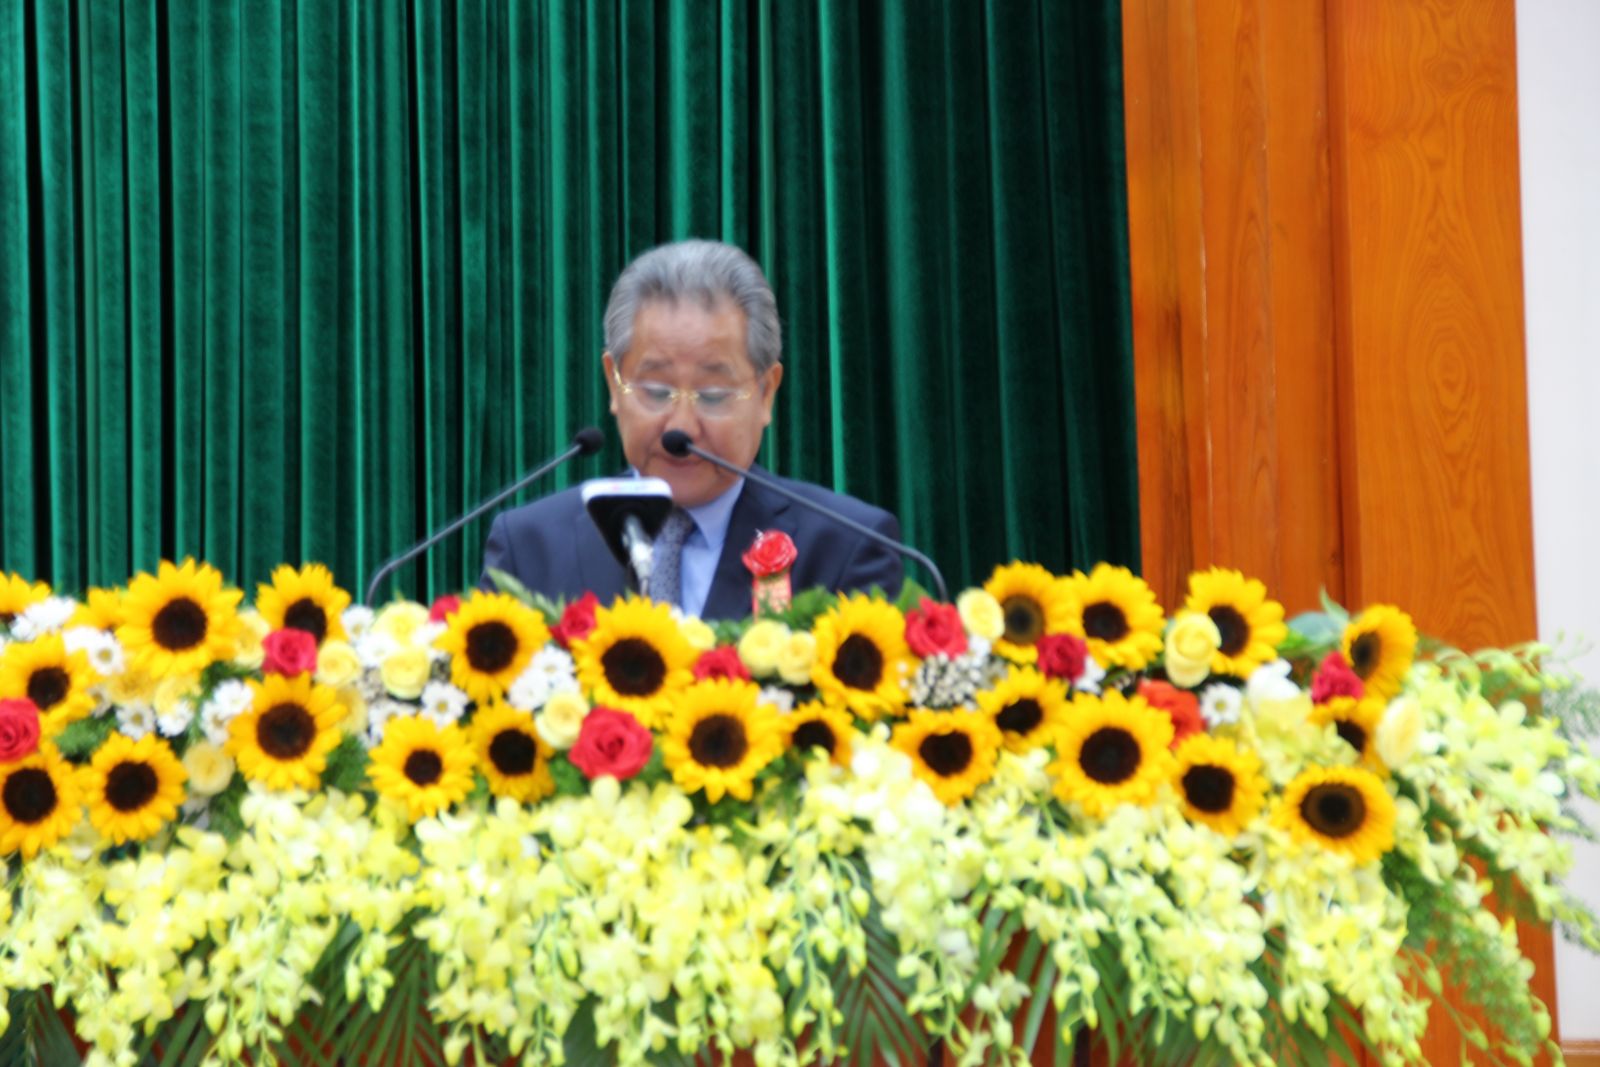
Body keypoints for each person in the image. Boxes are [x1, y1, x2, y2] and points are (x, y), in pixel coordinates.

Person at [480, 239, 903, 620]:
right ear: (614, 383)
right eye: (656, 391)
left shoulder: (846, 549)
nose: (680, 427)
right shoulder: (528, 549)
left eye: (714, 395)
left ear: (766, 393)